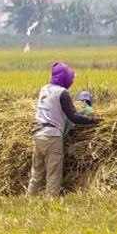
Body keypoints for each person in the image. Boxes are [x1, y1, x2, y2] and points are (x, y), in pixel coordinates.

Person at [29, 62, 99, 197]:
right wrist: (94, 120)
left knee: (37, 173)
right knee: (53, 173)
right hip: (52, 137)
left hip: (38, 135)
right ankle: (51, 203)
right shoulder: (62, 93)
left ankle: (30, 199)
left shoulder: (44, 89)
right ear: (64, 78)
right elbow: (74, 117)